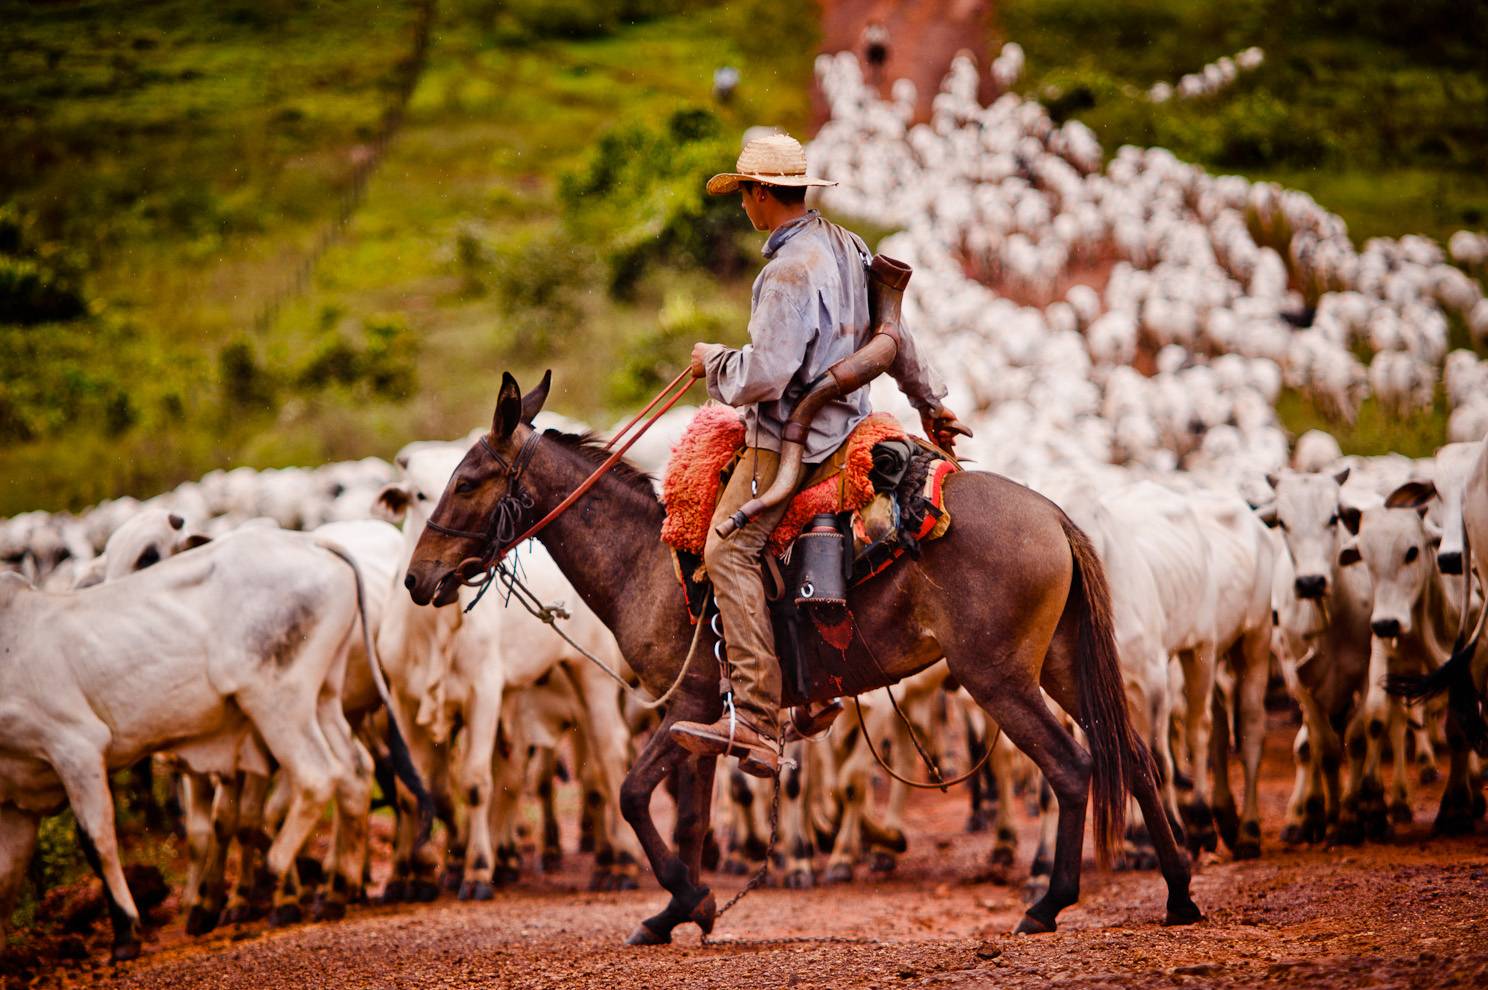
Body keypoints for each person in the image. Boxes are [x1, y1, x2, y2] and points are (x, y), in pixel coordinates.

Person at [669, 132, 968, 777]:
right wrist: (931, 403)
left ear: (757, 195)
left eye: (744, 195)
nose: (744, 207)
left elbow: (768, 373)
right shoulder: (847, 245)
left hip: (793, 443)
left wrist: (712, 362)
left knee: (728, 549)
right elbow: (894, 334)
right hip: (852, 425)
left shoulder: (785, 271)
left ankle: (753, 715)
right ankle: (812, 690)